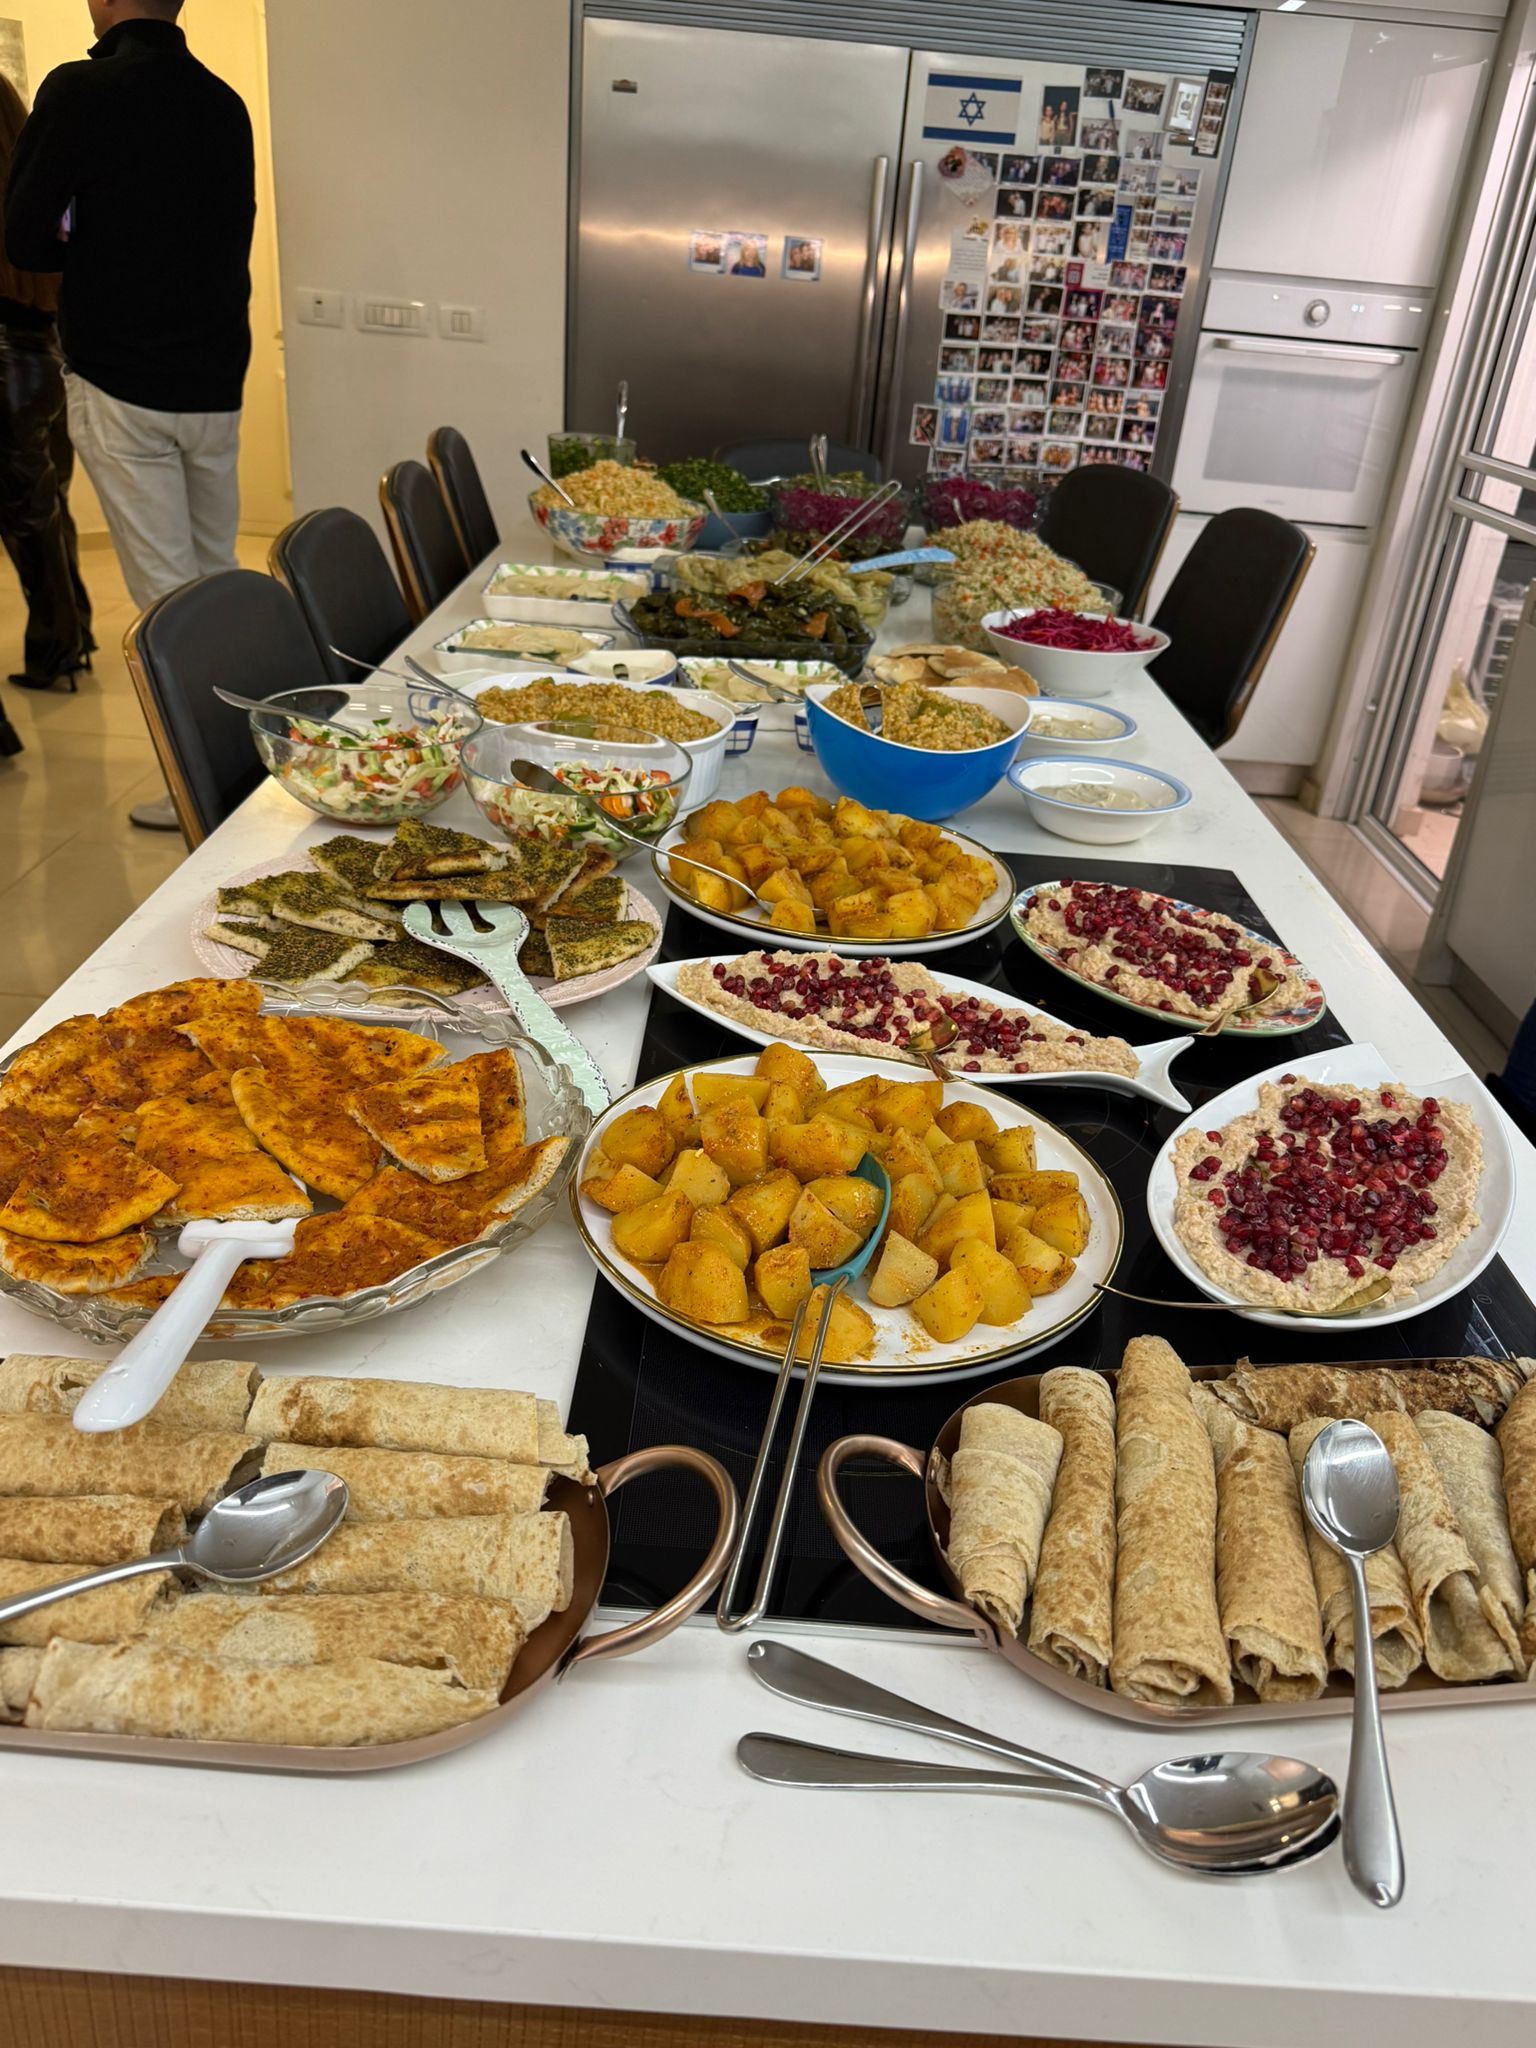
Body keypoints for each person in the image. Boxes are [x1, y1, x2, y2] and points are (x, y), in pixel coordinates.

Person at [5, 0, 255, 827]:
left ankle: (208, 788)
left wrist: (89, 228)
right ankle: (247, 761)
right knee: (214, 573)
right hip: (214, 373)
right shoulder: (222, 101)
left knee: (166, 598)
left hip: (122, 376)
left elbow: (25, 240)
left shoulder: (78, 89)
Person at [0, 73, 92, 694]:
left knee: (30, 518)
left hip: (7, 362)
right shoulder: (31, 185)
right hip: (49, 356)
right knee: (48, 507)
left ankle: (55, 650)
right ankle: (72, 634)